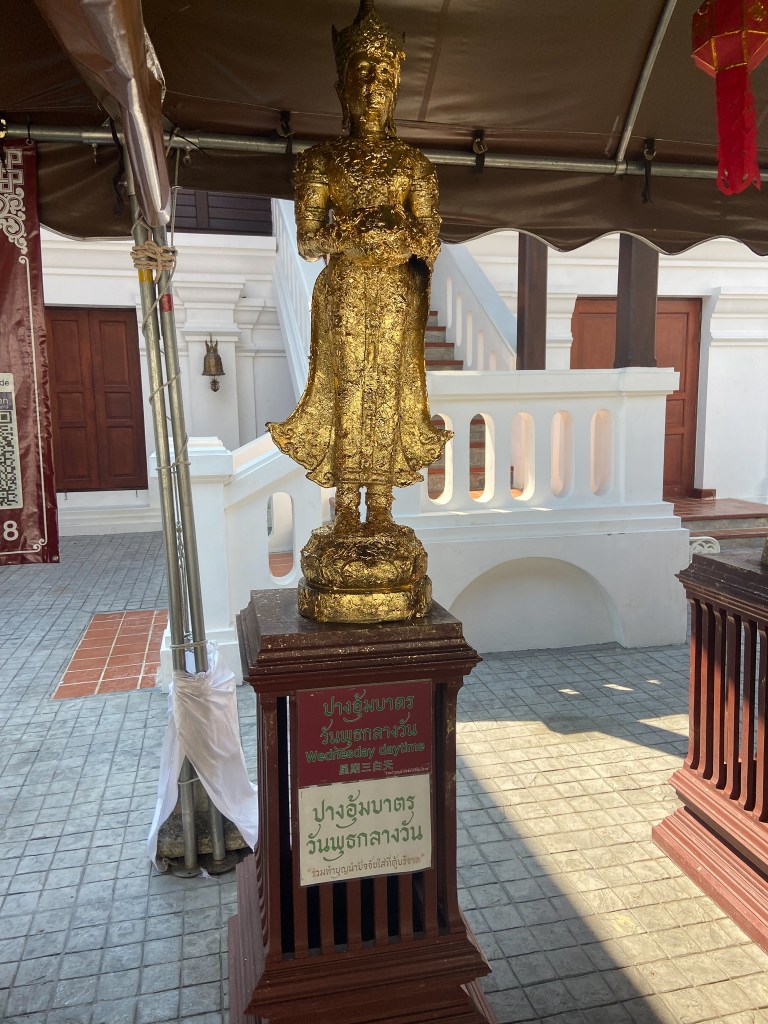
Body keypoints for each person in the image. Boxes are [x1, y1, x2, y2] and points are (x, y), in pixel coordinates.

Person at [268, 0, 449, 534]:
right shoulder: (319, 160)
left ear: (396, 89)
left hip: (394, 291)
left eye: (384, 77)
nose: (372, 89)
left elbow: (430, 238)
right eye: (362, 74)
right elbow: (308, 241)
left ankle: (383, 505)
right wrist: (353, 233)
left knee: (388, 386)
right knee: (349, 387)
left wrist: (395, 235)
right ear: (341, 87)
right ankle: (347, 503)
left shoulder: (414, 164)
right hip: (346, 291)